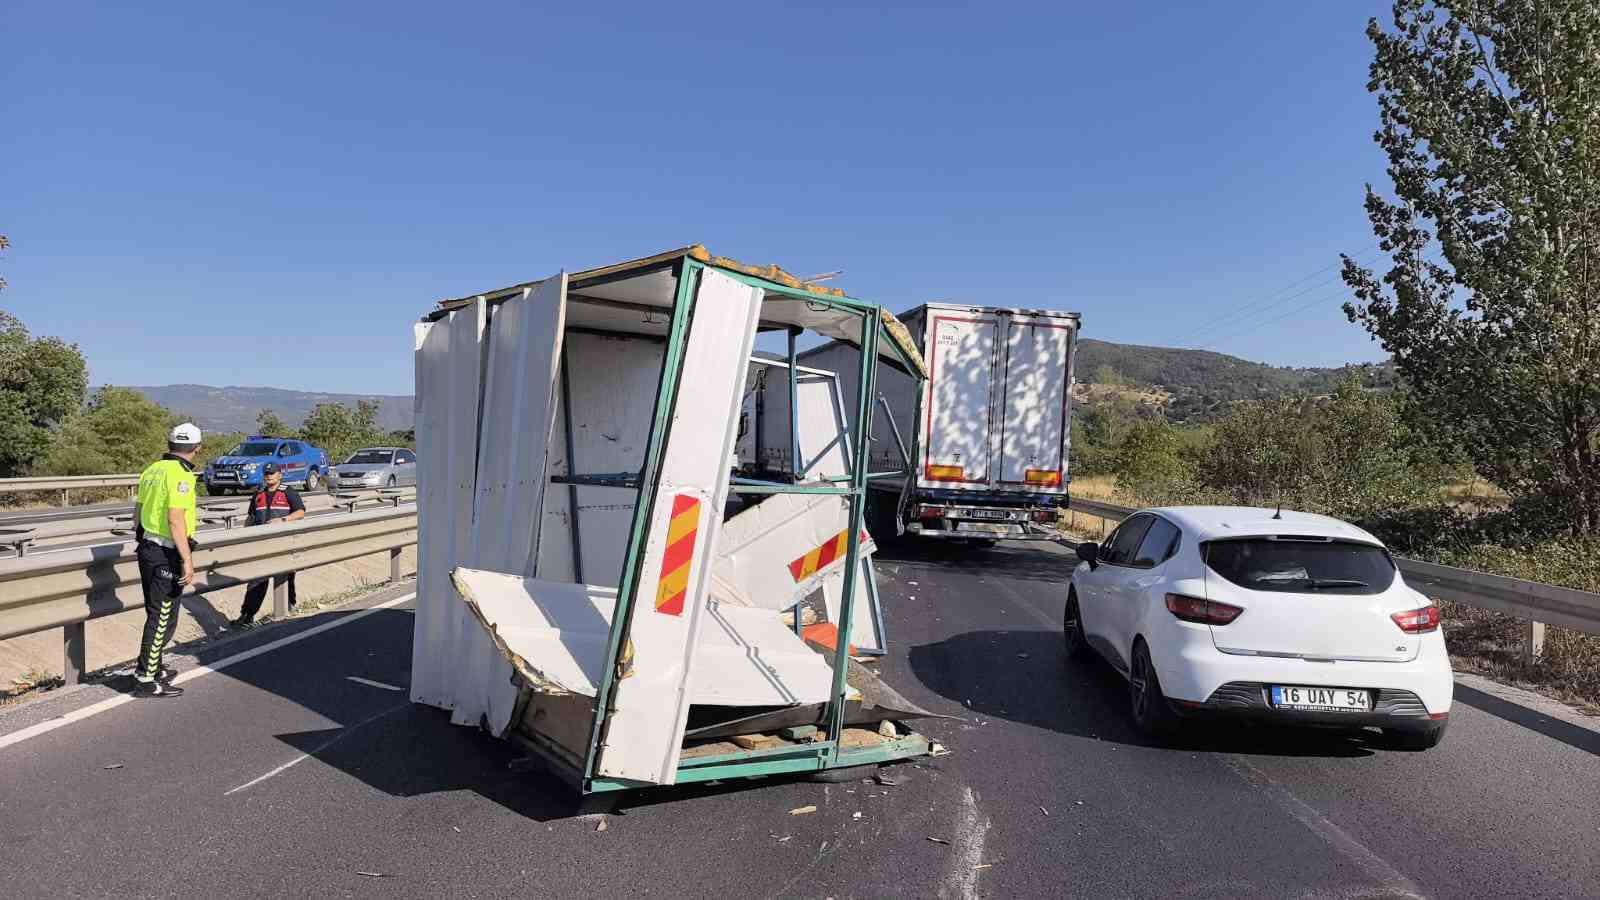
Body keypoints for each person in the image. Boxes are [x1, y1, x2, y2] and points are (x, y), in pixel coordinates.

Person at [131, 423, 203, 698]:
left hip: (148, 547)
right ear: (197, 448)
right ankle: (146, 679)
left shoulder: (153, 469)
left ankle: (154, 666)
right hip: (166, 551)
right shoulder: (180, 476)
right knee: (162, 617)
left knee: (158, 613)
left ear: (170, 443)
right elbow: (175, 518)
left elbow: (137, 513)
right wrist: (187, 559)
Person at [231, 463, 306, 627]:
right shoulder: (258, 493)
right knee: (257, 579)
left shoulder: (288, 491)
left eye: (272, 473)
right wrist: (244, 537)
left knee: (286, 576)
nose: (269, 476)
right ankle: (247, 615)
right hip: (261, 543)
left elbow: (300, 512)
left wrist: (283, 520)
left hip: (283, 542)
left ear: (280, 474)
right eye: (266, 473)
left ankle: (288, 606)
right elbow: (251, 517)